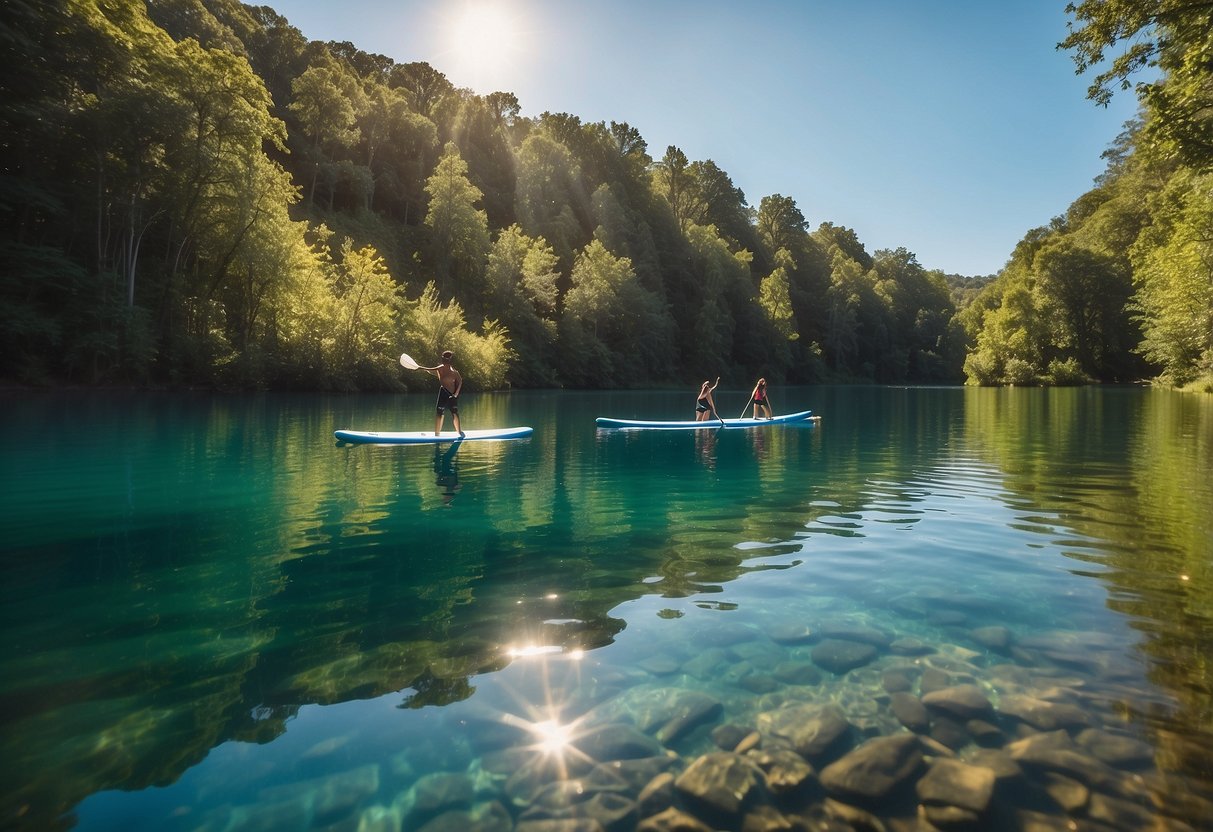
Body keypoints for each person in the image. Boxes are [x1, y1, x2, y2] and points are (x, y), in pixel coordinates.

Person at [419, 350, 463, 436]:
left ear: (450, 360)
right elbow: (430, 370)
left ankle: (459, 432)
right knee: (439, 412)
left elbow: (460, 381)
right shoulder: (440, 368)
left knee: (454, 412)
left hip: (452, 394)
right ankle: (437, 434)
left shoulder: (455, 372)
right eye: (444, 359)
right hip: (443, 392)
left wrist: (456, 394)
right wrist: (421, 368)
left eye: (447, 359)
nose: (445, 361)